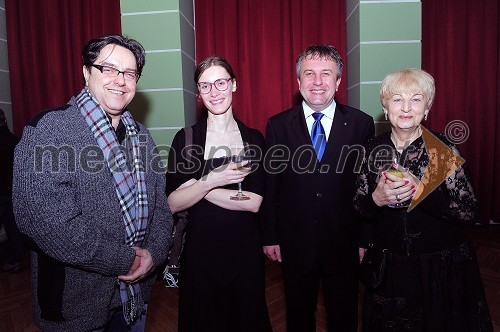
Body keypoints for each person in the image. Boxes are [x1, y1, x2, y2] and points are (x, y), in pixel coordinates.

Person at [12, 34, 173, 332]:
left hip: (134, 297)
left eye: (129, 73)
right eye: (108, 69)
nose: (120, 80)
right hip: (75, 303)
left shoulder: (141, 136)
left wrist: (153, 253)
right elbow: (45, 223)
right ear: (87, 73)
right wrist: (124, 259)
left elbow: (160, 207)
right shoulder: (49, 129)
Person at [354, 68, 493, 331]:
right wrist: (376, 199)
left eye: (416, 99)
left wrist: (422, 191)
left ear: (427, 107)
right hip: (391, 266)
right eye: (397, 99)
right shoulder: (371, 149)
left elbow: (470, 213)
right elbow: (359, 208)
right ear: (385, 106)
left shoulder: (441, 149)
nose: (406, 107)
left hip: (441, 266)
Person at [262, 45, 375, 331]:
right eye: (309, 74)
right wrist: (270, 235)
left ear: (338, 82)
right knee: (298, 317)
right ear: (298, 81)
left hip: (345, 241)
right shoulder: (277, 126)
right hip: (295, 242)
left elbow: (368, 187)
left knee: (344, 316)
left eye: (326, 74)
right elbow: (272, 185)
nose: (317, 82)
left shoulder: (361, 124)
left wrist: (365, 238)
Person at [165, 56, 272, 332]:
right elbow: (173, 203)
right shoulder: (186, 139)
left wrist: (197, 185)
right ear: (198, 93)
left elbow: (254, 203)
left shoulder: (254, 139)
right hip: (201, 254)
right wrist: (212, 180)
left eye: (221, 83)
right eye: (205, 86)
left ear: (234, 85)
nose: (214, 92)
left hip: (245, 254)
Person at [0, 108, 24, 273]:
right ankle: (14, 260)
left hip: (1, 193)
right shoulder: (15, 141)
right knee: (13, 228)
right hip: (12, 192)